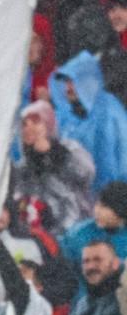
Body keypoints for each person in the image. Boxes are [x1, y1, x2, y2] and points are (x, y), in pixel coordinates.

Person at [48, 49, 127, 191]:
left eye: (73, 81)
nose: (68, 87)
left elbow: (118, 157)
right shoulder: (64, 114)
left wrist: (112, 195)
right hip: (75, 194)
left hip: (109, 195)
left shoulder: (108, 109)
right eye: (66, 82)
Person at [13, 99, 95, 235]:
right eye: (24, 124)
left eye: (36, 122)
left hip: (76, 226)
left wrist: (53, 152)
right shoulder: (23, 166)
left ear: (48, 124)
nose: (29, 128)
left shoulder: (70, 148)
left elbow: (87, 174)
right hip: (43, 232)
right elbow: (20, 198)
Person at [59, 179, 127, 292]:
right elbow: (65, 274)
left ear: (121, 213)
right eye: (98, 204)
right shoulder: (77, 234)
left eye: (104, 207)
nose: (97, 211)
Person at [67, 239, 127, 315]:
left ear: (115, 263)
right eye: (86, 261)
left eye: (98, 260)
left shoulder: (122, 300)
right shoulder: (79, 307)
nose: (91, 266)